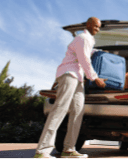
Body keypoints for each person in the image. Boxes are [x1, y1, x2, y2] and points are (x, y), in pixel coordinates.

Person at [34, 17, 107, 159]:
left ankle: (69, 149)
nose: (97, 29)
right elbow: (84, 59)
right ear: (88, 24)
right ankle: (42, 151)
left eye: (99, 27)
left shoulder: (88, 41)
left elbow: (88, 54)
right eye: (95, 26)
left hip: (78, 79)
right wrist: (95, 77)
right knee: (60, 109)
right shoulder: (83, 38)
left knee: (78, 112)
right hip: (69, 75)